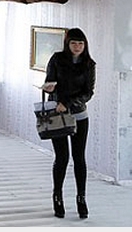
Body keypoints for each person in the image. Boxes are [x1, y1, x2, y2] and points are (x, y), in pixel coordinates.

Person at [42, 28, 96, 219]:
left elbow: (88, 92)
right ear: (67, 43)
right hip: (57, 114)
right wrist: (50, 90)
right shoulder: (57, 59)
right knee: (62, 158)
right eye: (74, 43)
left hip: (79, 115)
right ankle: (57, 196)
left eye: (81, 43)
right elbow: (49, 82)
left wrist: (68, 103)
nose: (77, 47)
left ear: (85, 45)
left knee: (79, 158)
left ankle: (81, 198)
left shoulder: (89, 64)